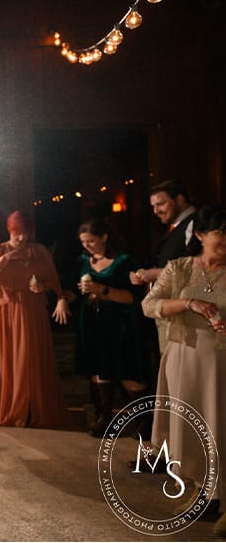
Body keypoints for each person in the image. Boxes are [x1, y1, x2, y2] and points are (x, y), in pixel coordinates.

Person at [142, 205, 226, 537]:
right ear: (201, 235)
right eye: (221, 231)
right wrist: (190, 304)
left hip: (220, 361)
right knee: (192, 427)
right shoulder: (178, 268)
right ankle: (203, 492)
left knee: (220, 424)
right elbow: (149, 305)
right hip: (183, 358)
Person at [0, 210, 69, 427]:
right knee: (3, 358)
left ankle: (29, 408)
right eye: (17, 233)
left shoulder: (39, 252)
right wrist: (8, 257)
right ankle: (5, 407)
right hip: (0, 310)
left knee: (26, 358)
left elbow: (53, 283)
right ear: (10, 231)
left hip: (28, 308)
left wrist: (42, 287)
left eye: (26, 233)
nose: (22, 238)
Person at [69, 219, 151, 437]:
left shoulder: (124, 261)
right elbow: (74, 292)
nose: (87, 246)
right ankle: (104, 418)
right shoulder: (82, 261)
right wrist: (62, 298)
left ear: (104, 237)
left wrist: (101, 289)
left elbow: (133, 298)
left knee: (129, 373)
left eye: (91, 241)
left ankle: (144, 423)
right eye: (84, 242)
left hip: (121, 325)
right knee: (99, 371)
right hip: (93, 325)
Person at [130, 180, 198, 354]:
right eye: (153, 206)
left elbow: (197, 265)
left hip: (184, 312)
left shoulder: (196, 223)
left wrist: (157, 273)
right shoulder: (175, 227)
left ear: (180, 199)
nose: (156, 211)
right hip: (168, 309)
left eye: (161, 204)